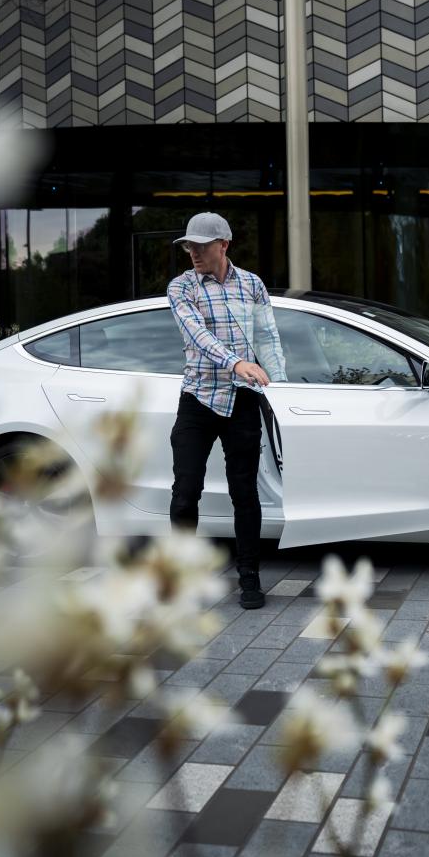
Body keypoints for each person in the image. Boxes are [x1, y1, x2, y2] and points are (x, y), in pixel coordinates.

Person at [167, 212, 286, 609]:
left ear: (224, 245)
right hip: (198, 399)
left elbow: (268, 337)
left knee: (245, 494)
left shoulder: (252, 284)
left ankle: (249, 577)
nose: (194, 252)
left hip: (243, 401)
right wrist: (236, 362)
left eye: (201, 245)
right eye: (189, 245)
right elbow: (196, 335)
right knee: (186, 493)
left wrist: (280, 387)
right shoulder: (181, 288)